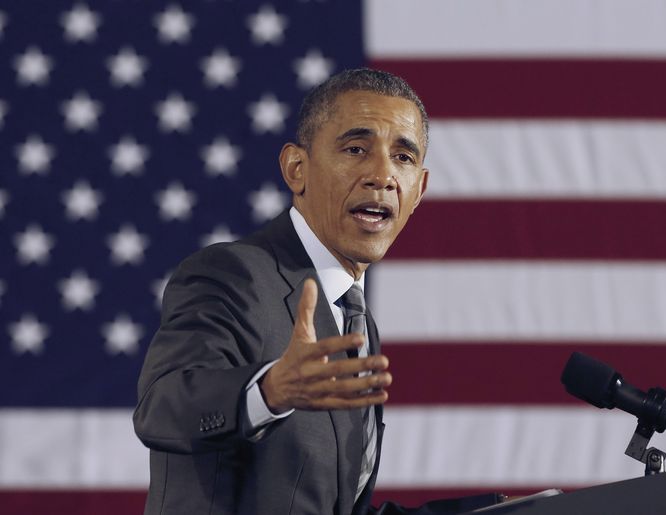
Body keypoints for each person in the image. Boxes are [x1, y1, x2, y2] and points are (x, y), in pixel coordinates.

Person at [133, 69, 502, 514]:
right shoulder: (233, 274)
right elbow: (162, 406)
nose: (382, 175)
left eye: (403, 157)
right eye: (355, 149)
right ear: (296, 169)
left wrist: (491, 511)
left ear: (419, 189)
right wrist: (268, 390)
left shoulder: (353, 317)